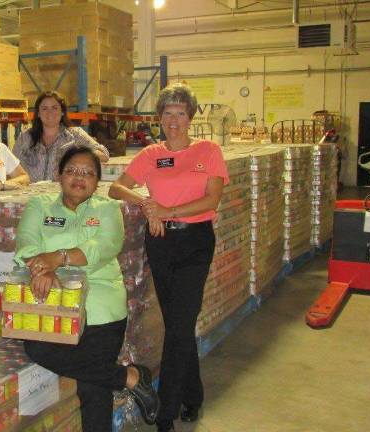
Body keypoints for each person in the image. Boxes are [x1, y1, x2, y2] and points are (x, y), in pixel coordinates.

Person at [108, 84, 229, 431]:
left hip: (195, 243)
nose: (173, 120)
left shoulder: (209, 150)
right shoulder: (151, 154)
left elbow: (211, 201)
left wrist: (169, 210)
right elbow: (117, 187)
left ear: (190, 117)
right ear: (159, 118)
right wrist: (148, 205)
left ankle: (165, 412)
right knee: (180, 323)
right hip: (160, 244)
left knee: (178, 325)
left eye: (180, 113)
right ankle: (194, 395)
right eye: (167, 113)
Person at [14, 146, 160, 432]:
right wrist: (40, 267)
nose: (79, 178)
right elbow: (27, 242)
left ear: (97, 181)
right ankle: (130, 378)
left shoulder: (107, 209)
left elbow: (104, 247)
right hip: (54, 304)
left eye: (88, 173)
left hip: (101, 307)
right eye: (72, 171)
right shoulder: (39, 206)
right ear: (59, 175)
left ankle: (123, 382)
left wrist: (57, 260)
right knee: (36, 347)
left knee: (92, 387)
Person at [13, 91, 110, 182]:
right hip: (30, 196)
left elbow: (104, 154)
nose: (49, 112)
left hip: (63, 195)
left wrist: (76, 154)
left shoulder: (75, 135)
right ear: (38, 113)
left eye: (54, 108)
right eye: (44, 108)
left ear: (62, 112)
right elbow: (10, 167)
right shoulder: (25, 138)